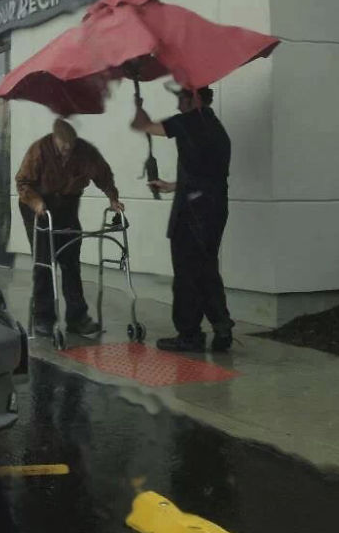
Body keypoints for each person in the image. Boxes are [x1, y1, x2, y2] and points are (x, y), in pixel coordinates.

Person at [131, 85, 234, 352]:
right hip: (214, 208)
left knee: (188, 273)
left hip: (192, 212)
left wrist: (138, 105)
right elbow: (208, 175)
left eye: (181, 98)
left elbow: (143, 125)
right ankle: (222, 327)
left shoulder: (189, 121)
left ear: (194, 99)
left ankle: (189, 335)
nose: (177, 104)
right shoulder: (216, 128)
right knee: (206, 268)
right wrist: (172, 185)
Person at [16, 118, 124, 336]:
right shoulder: (39, 150)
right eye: (63, 145)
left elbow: (103, 174)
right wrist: (36, 202)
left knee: (71, 260)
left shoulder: (85, 151)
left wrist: (113, 198)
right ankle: (43, 317)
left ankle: (77, 317)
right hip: (38, 205)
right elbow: (23, 182)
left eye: (71, 145)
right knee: (44, 261)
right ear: (54, 138)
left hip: (67, 205)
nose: (67, 150)